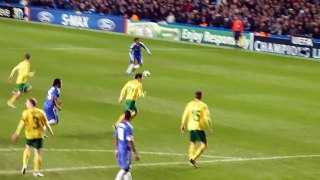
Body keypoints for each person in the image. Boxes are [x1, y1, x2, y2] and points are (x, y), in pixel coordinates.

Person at [11, 98, 54, 177]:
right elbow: (46, 123)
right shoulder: (41, 112)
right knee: (38, 153)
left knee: (27, 148)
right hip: (38, 135)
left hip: (29, 135)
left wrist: (16, 133)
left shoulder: (25, 113)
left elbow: (21, 124)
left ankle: (24, 165)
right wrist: (51, 133)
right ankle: (36, 171)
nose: (26, 104)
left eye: (27, 103)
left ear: (31, 104)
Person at [180, 91, 213, 168]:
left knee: (192, 143)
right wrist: (209, 127)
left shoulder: (190, 104)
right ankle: (192, 159)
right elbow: (206, 118)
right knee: (204, 144)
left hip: (190, 126)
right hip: (199, 127)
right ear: (201, 97)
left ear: (195, 96)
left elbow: (185, 114)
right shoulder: (203, 106)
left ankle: (191, 159)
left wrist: (182, 124)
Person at [115, 110, 140, 180]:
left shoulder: (119, 125)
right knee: (125, 169)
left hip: (120, 148)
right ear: (130, 117)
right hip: (126, 150)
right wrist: (135, 153)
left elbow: (116, 137)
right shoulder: (129, 127)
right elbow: (130, 141)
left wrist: (116, 150)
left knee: (127, 169)